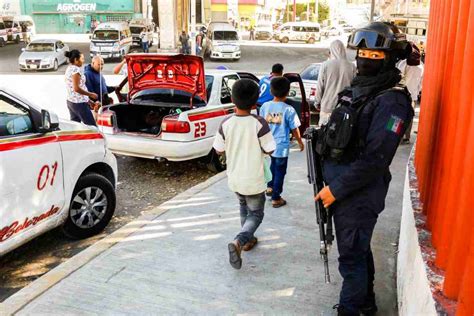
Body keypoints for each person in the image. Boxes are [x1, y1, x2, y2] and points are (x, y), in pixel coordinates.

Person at [314, 22, 414, 316]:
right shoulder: (358, 90)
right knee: (357, 249)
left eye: (375, 55)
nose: (365, 59)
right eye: (363, 52)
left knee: (351, 258)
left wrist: (336, 189)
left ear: (389, 57)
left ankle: (351, 309)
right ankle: (366, 303)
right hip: (342, 189)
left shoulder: (392, 101)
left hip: (357, 194)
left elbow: (376, 159)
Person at [213, 79, 276, 270]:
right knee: (256, 214)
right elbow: (271, 149)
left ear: (232, 99)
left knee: (243, 208)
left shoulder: (226, 124)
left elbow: (218, 149)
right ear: (256, 102)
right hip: (254, 180)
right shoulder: (259, 123)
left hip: (235, 179)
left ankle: (248, 241)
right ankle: (240, 241)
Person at [259, 77, 304, 207]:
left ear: (271, 91)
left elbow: (261, 124)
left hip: (269, 145)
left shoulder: (265, 106)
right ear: (288, 92)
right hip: (281, 147)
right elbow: (294, 128)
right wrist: (300, 142)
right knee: (280, 171)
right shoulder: (289, 110)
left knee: (272, 165)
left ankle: (270, 187)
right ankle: (276, 197)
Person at [315, 39, 357, 126]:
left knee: (324, 134)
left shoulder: (325, 65)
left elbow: (320, 86)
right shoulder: (352, 66)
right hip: (344, 107)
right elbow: (354, 87)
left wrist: (317, 102)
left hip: (327, 106)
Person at [397, 42, 423, 143]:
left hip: (401, 93)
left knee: (397, 115)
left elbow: (398, 78)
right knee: (410, 116)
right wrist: (416, 90)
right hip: (413, 95)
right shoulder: (421, 65)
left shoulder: (404, 63)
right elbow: (421, 83)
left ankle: (396, 135)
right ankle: (407, 137)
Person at [64, 50, 98, 126]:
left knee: (75, 127)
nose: (83, 61)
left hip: (71, 102)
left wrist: (88, 101)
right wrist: (91, 94)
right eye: (82, 59)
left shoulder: (69, 69)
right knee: (92, 128)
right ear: (76, 60)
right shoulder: (76, 70)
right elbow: (76, 88)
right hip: (79, 103)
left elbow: (76, 88)